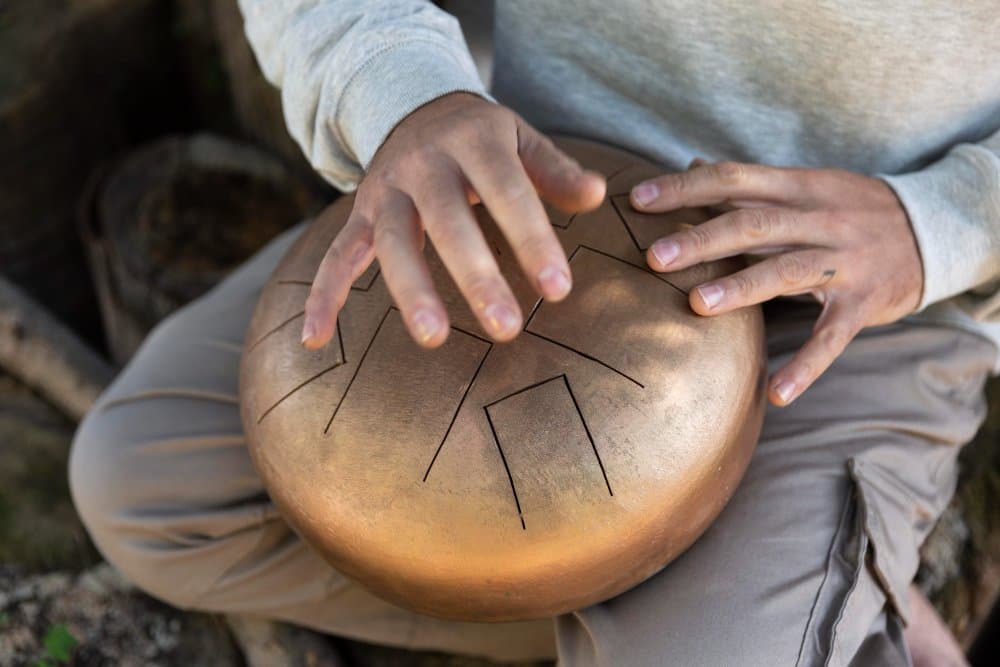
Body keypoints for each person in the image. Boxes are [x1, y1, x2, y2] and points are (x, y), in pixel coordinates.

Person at [69, 1, 999, 665]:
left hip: (861, 280)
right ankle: (793, 597)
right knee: (143, 485)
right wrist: (404, 94)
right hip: (530, 180)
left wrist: (940, 223)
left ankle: (796, 588)